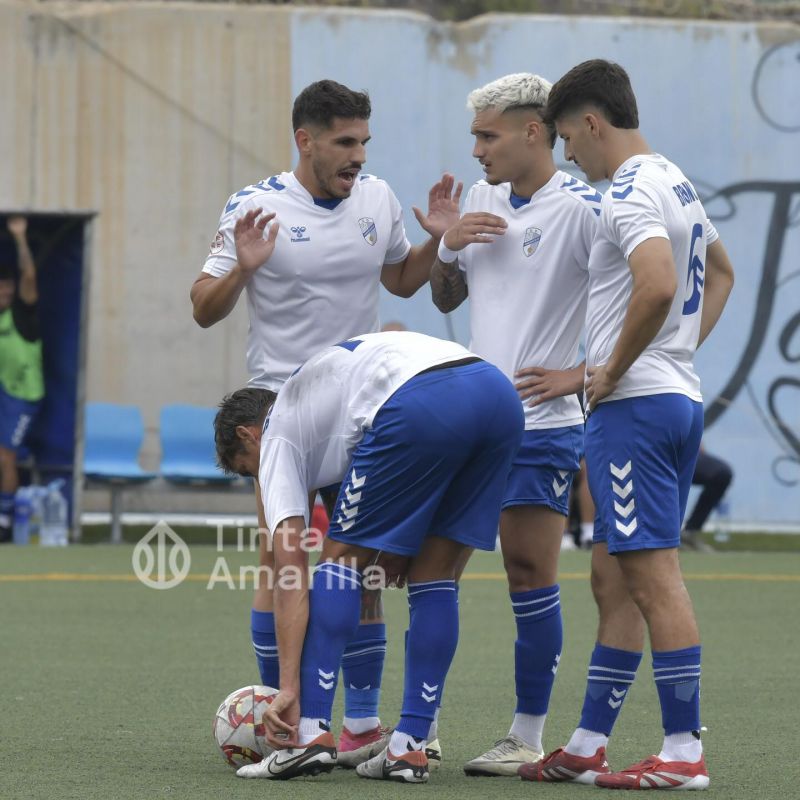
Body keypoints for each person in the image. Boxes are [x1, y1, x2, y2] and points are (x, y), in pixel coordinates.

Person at [190, 79, 460, 765]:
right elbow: (202, 306)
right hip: (279, 408)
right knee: (281, 566)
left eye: (364, 142)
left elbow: (401, 281)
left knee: (361, 568)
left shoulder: (377, 198)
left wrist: (435, 243)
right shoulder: (254, 207)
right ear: (305, 140)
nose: (358, 157)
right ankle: (282, 717)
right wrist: (241, 270)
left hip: (361, 407)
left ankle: (360, 726)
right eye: (345, 142)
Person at [518, 60, 734, 790]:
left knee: (653, 578)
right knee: (612, 577)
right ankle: (586, 743)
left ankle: (682, 754)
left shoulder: (628, 192)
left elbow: (661, 284)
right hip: (670, 401)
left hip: (634, 411)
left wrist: (610, 371)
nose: (567, 155)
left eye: (566, 140)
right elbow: (722, 271)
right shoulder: (674, 178)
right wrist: (675, 354)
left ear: (589, 123)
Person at [213, 331, 524, 782]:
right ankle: (409, 746)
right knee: (435, 575)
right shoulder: (322, 400)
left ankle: (311, 735)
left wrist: (289, 688)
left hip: (421, 397)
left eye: (248, 469)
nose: (257, 482)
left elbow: (290, 572)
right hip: (498, 397)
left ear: (249, 434)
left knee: (337, 562)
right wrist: (391, 548)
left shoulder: (278, 436)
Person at [429, 73, 599, 776]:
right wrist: (445, 245)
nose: (476, 150)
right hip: (470, 421)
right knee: (429, 571)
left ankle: (526, 736)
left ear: (535, 131)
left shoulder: (588, 209)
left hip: (543, 425)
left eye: (487, 135)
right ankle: (418, 731)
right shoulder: (481, 198)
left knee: (529, 573)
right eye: (474, 135)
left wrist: (583, 376)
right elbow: (448, 292)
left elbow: (647, 302)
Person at [0, 217, 44, 543]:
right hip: (3, 393)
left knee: (7, 457)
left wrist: (20, 239)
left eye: (8, 287)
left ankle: (4, 520)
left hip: (23, 397)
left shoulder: (21, 313)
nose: (5, 291)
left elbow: (29, 275)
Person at [681, 445, 733, 551]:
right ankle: (662, 537)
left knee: (722, 473)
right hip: (653, 451)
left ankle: (689, 533)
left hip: (683, 451)